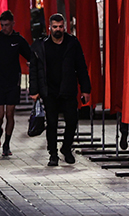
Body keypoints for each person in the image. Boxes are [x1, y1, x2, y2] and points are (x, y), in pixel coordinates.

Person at [29, 13, 91, 167]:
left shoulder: (72, 43)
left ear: (65, 27)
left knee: (72, 121)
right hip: (49, 91)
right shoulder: (42, 45)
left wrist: (86, 89)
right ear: (49, 27)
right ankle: (53, 154)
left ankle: (66, 148)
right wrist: (34, 90)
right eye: (55, 27)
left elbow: (81, 66)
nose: (58, 29)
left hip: (68, 89)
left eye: (61, 27)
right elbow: (35, 70)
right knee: (52, 123)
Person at [0, 10, 31, 156]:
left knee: (10, 114)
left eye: (7, 25)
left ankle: (7, 144)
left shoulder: (18, 40)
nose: (4, 28)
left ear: (13, 24)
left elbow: (29, 54)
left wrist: (33, 63)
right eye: (2, 25)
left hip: (12, 81)